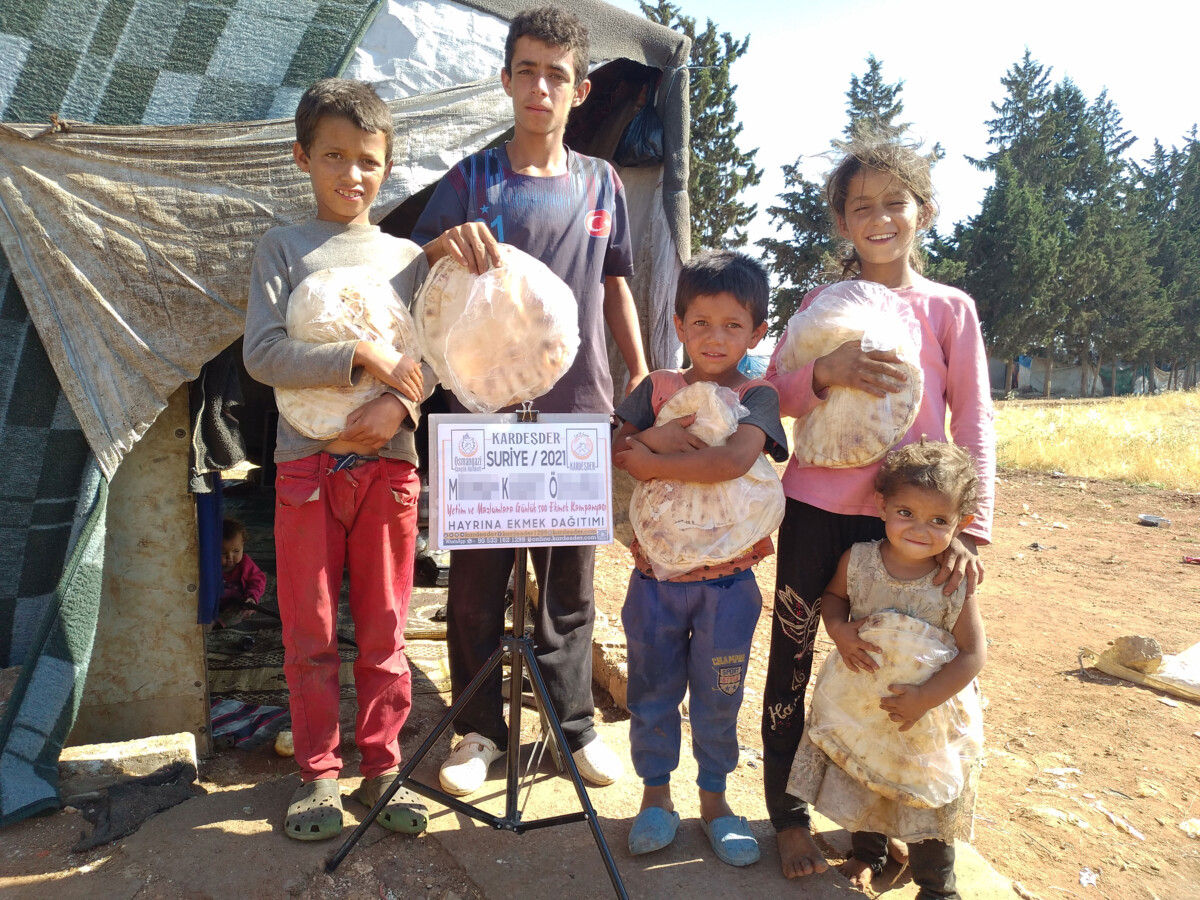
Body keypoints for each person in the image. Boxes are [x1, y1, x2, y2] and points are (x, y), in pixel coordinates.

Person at [411, 6, 650, 796]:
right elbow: (422, 282)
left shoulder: (601, 182)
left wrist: (640, 375)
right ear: (506, 79)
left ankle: (571, 726)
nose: (540, 86)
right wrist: (445, 244)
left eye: (557, 73)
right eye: (527, 70)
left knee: (569, 584)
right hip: (481, 416)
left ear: (579, 91)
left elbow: (616, 283)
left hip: (573, 413)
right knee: (478, 582)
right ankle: (479, 734)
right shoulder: (469, 180)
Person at [761, 130, 996, 879]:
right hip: (817, 510)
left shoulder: (949, 310)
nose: (879, 217)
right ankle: (789, 817)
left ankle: (878, 819)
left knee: (901, 671)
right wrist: (822, 372)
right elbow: (776, 397)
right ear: (841, 221)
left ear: (922, 211)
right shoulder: (820, 304)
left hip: (912, 528)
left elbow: (975, 422)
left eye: (894, 203)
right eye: (860, 206)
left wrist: (972, 528)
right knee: (796, 659)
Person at [244, 78, 432, 841]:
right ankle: (320, 774)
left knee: (387, 629)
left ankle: (382, 766)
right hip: (307, 469)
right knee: (310, 631)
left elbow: (433, 356)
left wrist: (400, 406)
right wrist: (358, 355)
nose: (351, 175)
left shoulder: (409, 258)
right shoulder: (283, 249)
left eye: (367, 160)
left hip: (390, 469)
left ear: (387, 167)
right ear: (302, 157)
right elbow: (262, 353)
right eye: (333, 156)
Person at [612, 250, 787, 867]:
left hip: (727, 586)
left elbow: (731, 462)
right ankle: (655, 799)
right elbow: (611, 448)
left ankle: (715, 802)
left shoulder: (757, 395)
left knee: (720, 693)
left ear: (757, 332)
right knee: (652, 690)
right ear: (679, 324)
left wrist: (652, 460)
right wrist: (644, 436)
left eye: (733, 325)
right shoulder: (657, 389)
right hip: (654, 581)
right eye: (702, 323)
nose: (716, 338)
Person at [789, 441, 985, 898]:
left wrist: (924, 700)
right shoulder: (858, 560)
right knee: (866, 773)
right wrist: (838, 629)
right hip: (865, 701)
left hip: (928, 716)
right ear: (881, 506)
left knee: (926, 797)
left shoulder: (954, 582)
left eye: (939, 521)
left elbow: (973, 654)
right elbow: (834, 598)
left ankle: (937, 887)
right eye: (906, 512)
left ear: (962, 524)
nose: (920, 529)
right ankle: (869, 853)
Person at [215, 518, 267, 629]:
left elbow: (257, 581)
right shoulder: (208, 564)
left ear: (243, 544)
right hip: (212, 602)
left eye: (236, 551)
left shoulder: (245, 563)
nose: (230, 557)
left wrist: (251, 596)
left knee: (246, 609)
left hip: (237, 602)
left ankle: (217, 622)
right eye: (223, 553)